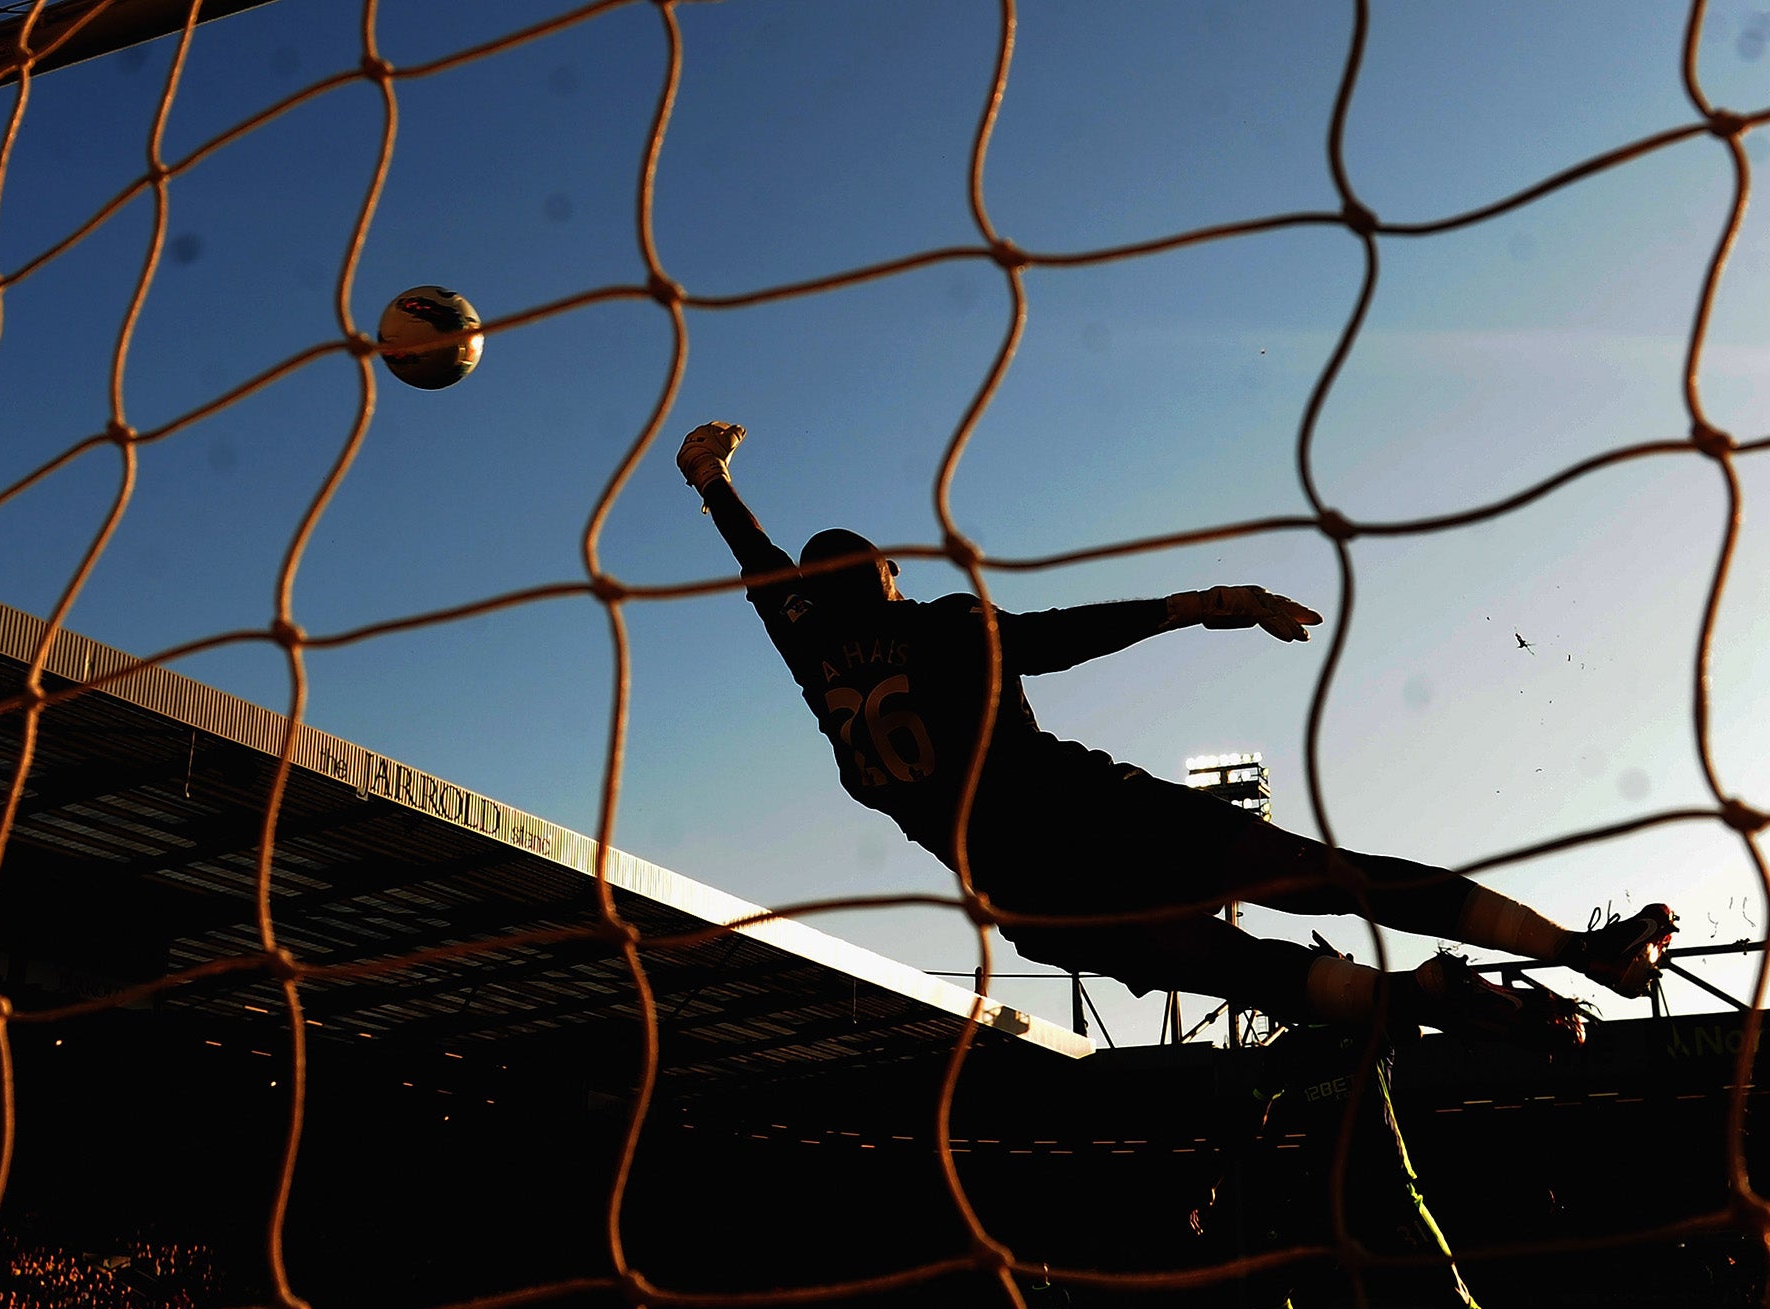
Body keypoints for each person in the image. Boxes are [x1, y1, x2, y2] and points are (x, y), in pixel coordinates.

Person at [675, 420, 1678, 1045]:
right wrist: (1201, 601)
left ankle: (1418, 998)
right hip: (1098, 815)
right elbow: (1057, 638)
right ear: (886, 577)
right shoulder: (938, 623)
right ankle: (1571, 950)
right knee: (1327, 873)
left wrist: (710, 484)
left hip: (1026, 895)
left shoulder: (809, 659)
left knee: (1250, 973)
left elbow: (762, 573)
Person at [1193, 949, 1587, 1309]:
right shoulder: (1287, 1051)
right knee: (1265, 1291)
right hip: (1324, 1197)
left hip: (1388, 1190)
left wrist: (1512, 1021)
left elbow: (1429, 1015)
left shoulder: (1368, 1025)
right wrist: (1213, 1179)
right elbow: (1253, 1118)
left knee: (1455, 1300)